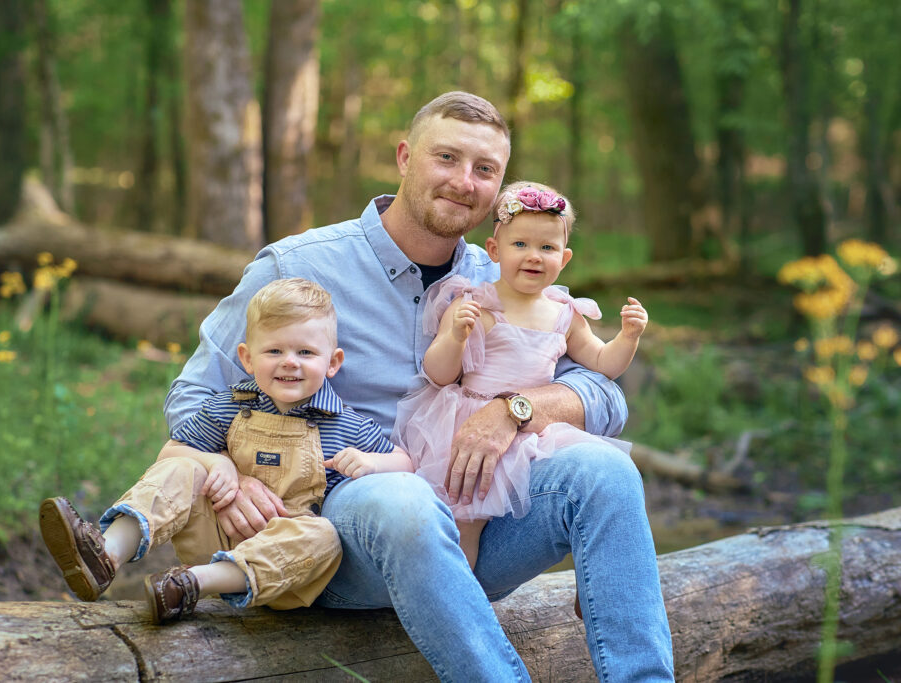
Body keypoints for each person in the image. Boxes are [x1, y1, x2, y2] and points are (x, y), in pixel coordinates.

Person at [166, 92, 674, 680]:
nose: (464, 181)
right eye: (447, 158)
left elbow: (607, 396)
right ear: (405, 157)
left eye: (485, 170)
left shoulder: (505, 276)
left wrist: (517, 407)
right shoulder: (295, 266)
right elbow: (192, 399)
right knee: (401, 497)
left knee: (607, 473)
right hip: (333, 532)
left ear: (500, 190)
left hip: (472, 527)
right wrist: (227, 474)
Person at [39, 278, 413, 624]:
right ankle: (106, 554)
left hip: (286, 569)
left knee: (325, 536)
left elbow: (406, 463)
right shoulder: (230, 406)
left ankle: (192, 586)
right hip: (216, 535)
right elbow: (170, 452)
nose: (289, 361)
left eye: (305, 351)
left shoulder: (344, 424)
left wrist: (371, 461)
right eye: (274, 350)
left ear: (332, 363)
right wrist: (216, 461)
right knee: (186, 468)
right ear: (248, 358)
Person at [393, 180, 648, 568]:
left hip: (532, 430)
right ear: (495, 250)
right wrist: (455, 337)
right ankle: (461, 593)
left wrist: (628, 337)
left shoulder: (565, 313)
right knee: (467, 520)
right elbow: (438, 374)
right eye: (520, 245)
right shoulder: (473, 303)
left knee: (603, 479)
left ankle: (598, 567)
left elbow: (602, 362)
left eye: (546, 248)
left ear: (563, 259)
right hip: (470, 421)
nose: (534, 256)